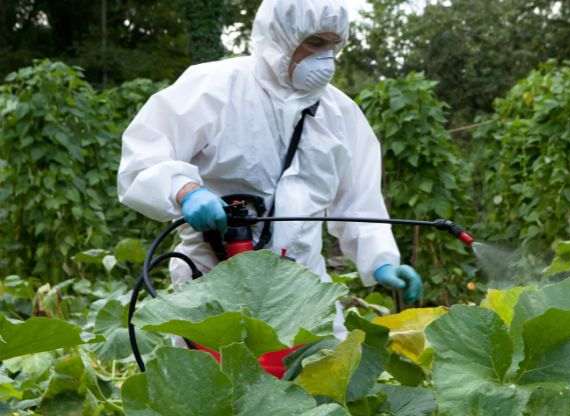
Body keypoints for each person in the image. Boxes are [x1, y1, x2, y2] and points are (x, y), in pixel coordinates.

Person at [116, 0, 423, 325]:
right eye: (315, 43)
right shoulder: (216, 87)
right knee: (219, 370)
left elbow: (360, 202)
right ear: (281, 37)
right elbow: (144, 154)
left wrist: (381, 260)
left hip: (302, 285)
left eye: (334, 46)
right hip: (214, 279)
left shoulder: (340, 114)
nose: (326, 59)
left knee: (319, 368)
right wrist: (186, 191)